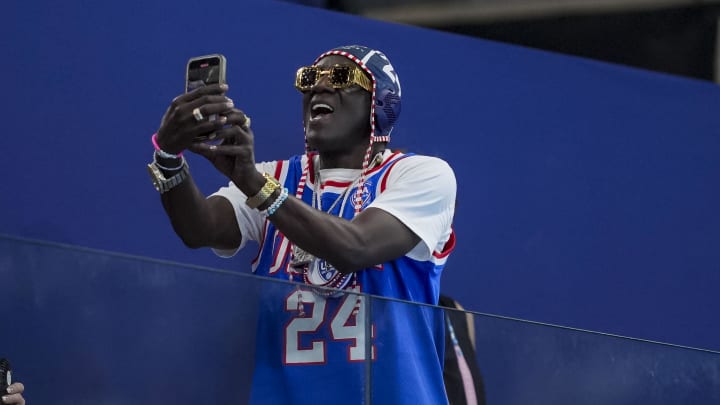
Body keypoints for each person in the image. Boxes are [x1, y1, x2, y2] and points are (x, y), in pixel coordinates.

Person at [148, 45, 457, 404]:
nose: (318, 88)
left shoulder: (420, 175)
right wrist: (168, 156)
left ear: (380, 103)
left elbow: (356, 248)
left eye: (341, 78)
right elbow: (198, 230)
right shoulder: (277, 177)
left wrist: (255, 186)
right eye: (309, 79)